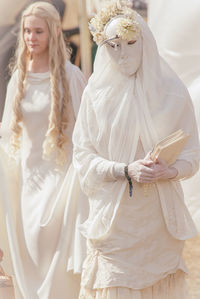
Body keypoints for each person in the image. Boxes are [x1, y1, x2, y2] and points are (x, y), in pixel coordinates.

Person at [72, 1, 200, 298]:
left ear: (145, 41)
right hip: (115, 224)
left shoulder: (172, 92)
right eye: (113, 45)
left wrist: (170, 170)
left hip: (158, 222)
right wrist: (124, 170)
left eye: (131, 43)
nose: (123, 54)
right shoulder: (95, 95)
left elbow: (192, 154)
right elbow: (83, 155)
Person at [0, 2, 87, 299]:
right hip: (26, 179)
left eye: (38, 31)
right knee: (27, 251)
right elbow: (8, 130)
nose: (30, 37)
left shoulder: (70, 75)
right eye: (26, 31)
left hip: (59, 177)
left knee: (44, 243)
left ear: (52, 32)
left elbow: (85, 130)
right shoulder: (19, 77)